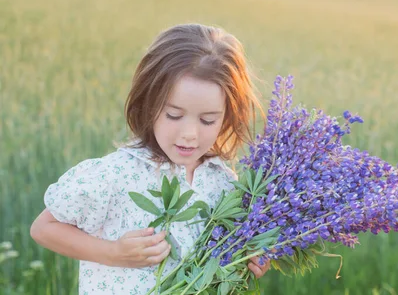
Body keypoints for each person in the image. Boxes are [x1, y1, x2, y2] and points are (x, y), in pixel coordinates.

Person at [30, 23, 270, 294]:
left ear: (227, 115)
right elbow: (44, 228)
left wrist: (248, 258)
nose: (189, 134)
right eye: (174, 115)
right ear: (148, 103)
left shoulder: (225, 183)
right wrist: (114, 253)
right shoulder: (117, 173)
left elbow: (223, 259)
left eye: (207, 120)